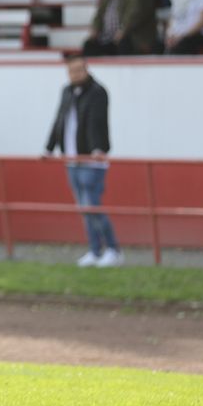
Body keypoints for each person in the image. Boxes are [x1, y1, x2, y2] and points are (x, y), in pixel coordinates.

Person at [44, 55, 121, 268]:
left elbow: (97, 122)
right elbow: (59, 120)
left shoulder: (97, 92)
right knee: (83, 208)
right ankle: (95, 251)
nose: (75, 75)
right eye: (71, 71)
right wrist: (49, 148)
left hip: (90, 160)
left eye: (79, 70)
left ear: (86, 69)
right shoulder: (67, 91)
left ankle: (113, 250)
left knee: (92, 206)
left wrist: (97, 149)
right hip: (71, 159)